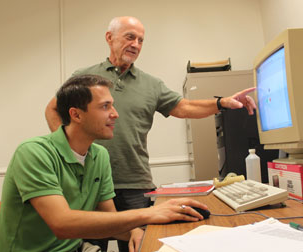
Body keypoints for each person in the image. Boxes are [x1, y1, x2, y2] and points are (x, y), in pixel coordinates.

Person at [45, 16, 256, 251]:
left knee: (141, 244)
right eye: (129, 37)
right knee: (90, 246)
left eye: (141, 40)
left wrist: (222, 102)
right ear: (109, 38)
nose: (136, 44)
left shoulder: (151, 84)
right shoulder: (85, 78)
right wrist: (69, 154)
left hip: (135, 182)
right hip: (88, 182)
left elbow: (184, 107)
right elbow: (53, 109)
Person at [0, 74, 208, 252]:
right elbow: (62, 224)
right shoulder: (33, 153)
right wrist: (150, 214)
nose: (115, 114)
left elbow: (111, 220)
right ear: (76, 114)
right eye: (105, 106)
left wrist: (135, 230)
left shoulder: (99, 155)